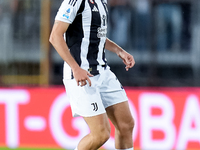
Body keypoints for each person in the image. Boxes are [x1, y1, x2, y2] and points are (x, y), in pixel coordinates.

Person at [49, 0, 135, 149]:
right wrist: (75, 68)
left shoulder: (102, 1)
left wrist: (118, 50)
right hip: (82, 74)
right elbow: (55, 36)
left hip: (102, 71)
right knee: (101, 134)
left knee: (126, 125)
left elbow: (93, 34)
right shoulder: (74, 2)